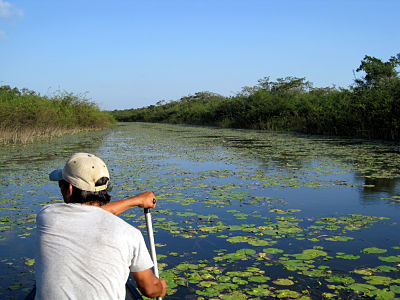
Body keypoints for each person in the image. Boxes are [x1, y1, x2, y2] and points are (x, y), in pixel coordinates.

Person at [35, 152, 167, 299]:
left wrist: (136, 200)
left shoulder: (47, 216)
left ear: (69, 189)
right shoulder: (130, 235)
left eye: (61, 184)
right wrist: (160, 288)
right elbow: (150, 290)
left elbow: (92, 213)